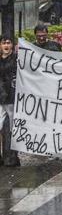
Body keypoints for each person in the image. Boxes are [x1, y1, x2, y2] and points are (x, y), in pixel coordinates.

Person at [0, 35, 19, 167]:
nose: (6, 45)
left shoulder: (17, 59)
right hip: (1, 99)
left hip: (12, 99)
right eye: (3, 43)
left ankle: (13, 157)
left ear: (12, 45)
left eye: (8, 43)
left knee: (14, 129)